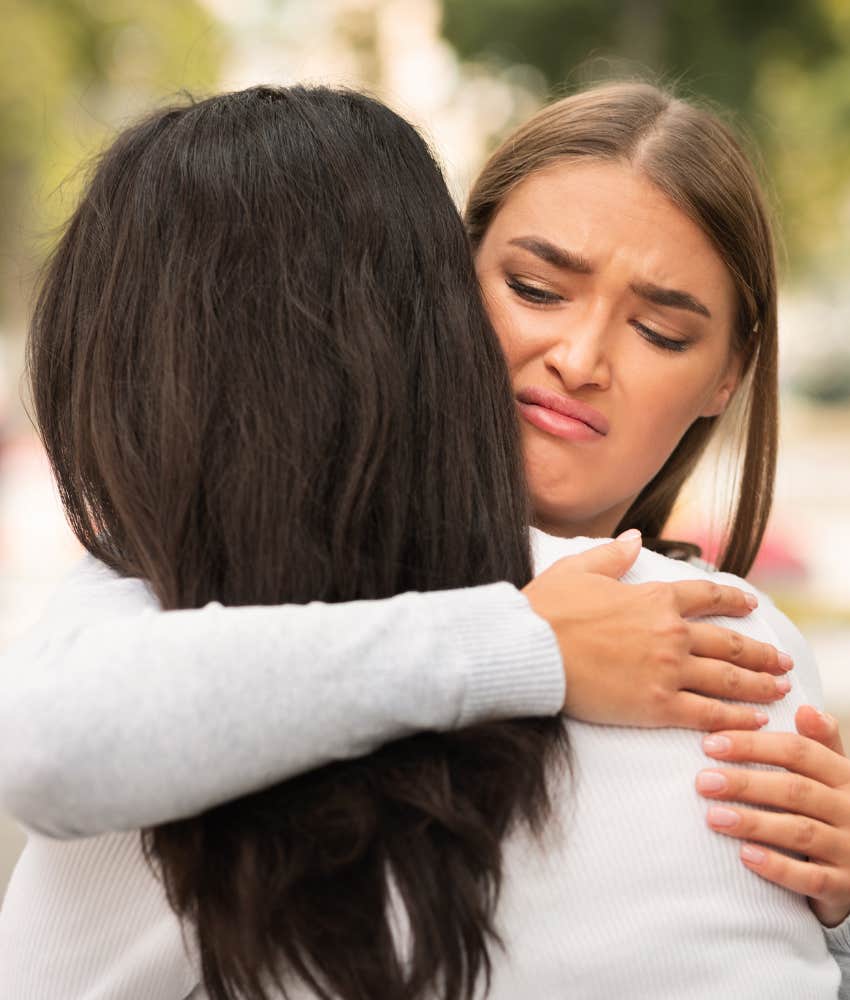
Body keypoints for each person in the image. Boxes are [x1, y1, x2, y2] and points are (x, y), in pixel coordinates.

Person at [1, 82, 849, 999]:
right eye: (533, 289)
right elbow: (52, 738)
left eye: (659, 330)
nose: (580, 358)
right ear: (443, 286)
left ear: (727, 376)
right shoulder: (210, 588)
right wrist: (529, 645)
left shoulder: (725, 646)